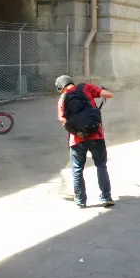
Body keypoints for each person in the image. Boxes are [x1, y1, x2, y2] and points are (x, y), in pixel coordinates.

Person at [55, 75, 115, 208]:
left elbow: (63, 120)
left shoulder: (63, 98)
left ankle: (81, 201)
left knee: (77, 169)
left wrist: (77, 131)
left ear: (61, 87)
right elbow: (109, 95)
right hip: (96, 135)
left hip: (76, 138)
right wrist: (102, 90)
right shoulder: (86, 87)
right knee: (101, 165)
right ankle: (106, 197)